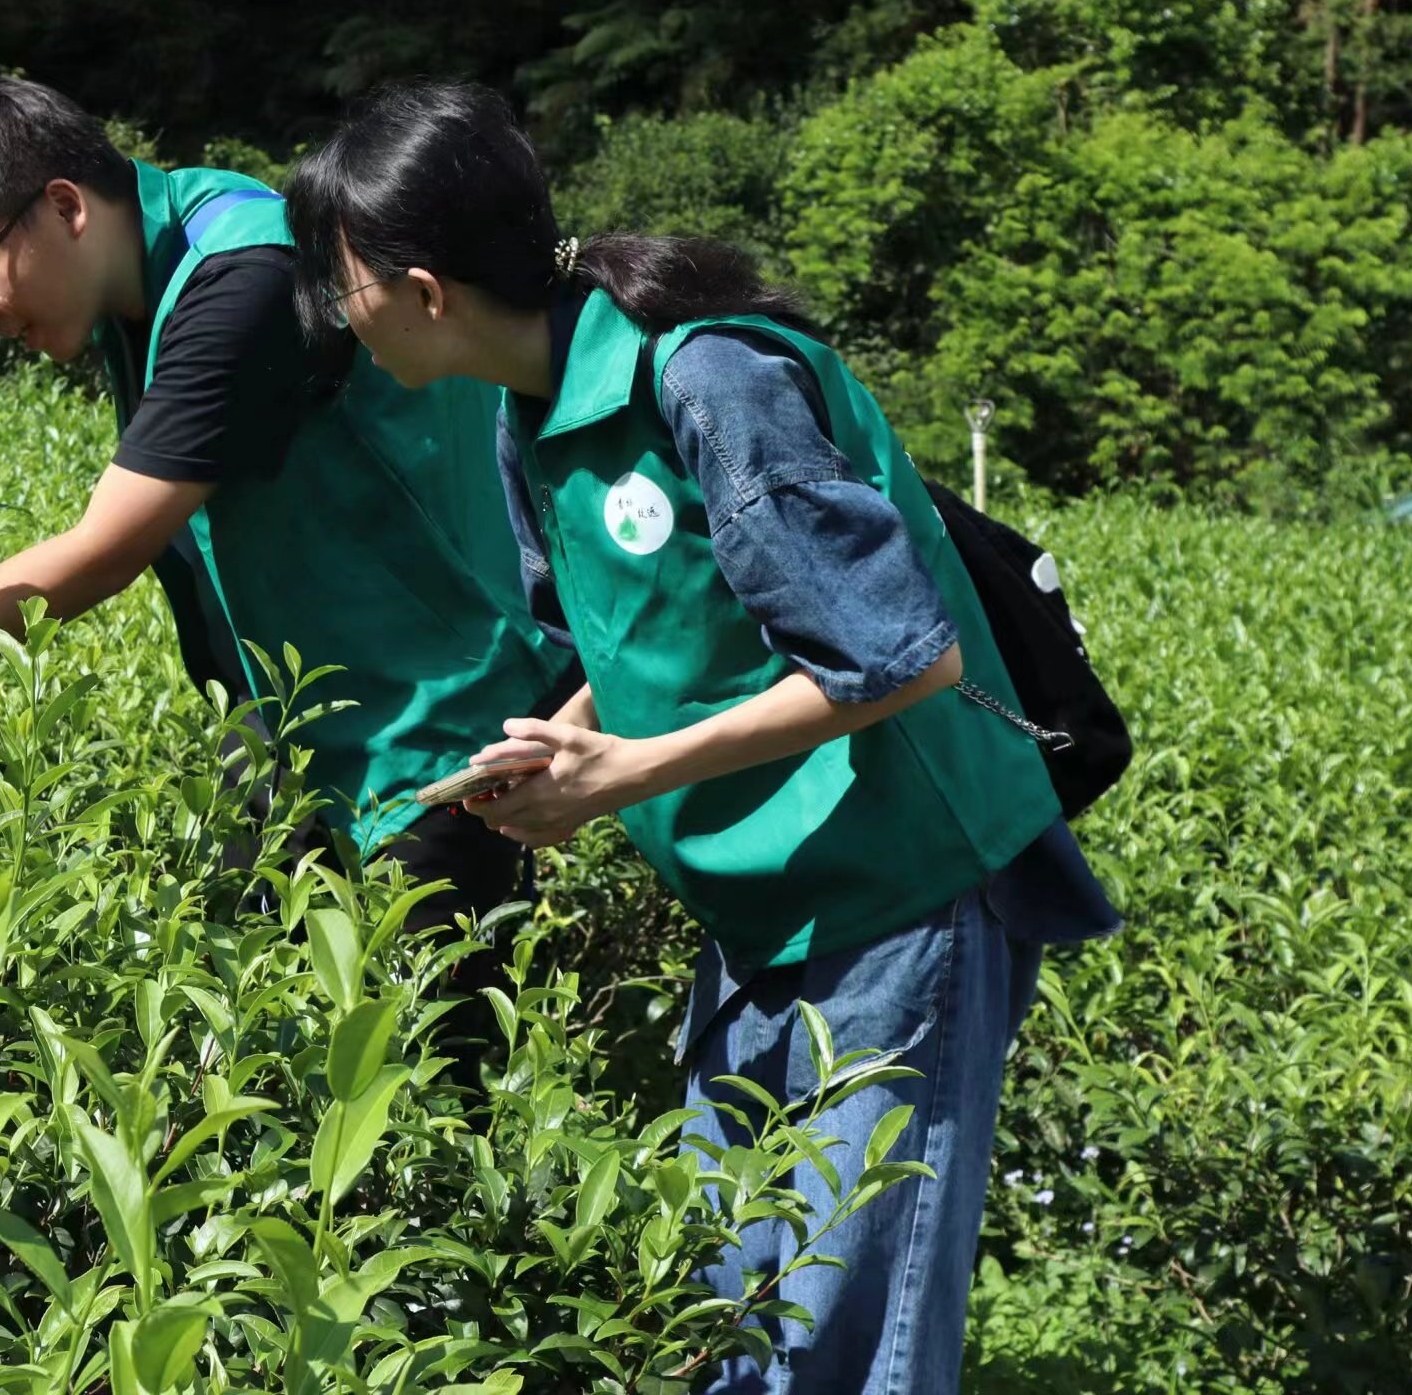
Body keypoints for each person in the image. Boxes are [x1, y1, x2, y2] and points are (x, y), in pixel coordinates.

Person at [283, 81, 1120, 1395]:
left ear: (425, 286)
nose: (339, 316)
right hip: (761, 913)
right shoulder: (531, 417)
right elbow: (625, 649)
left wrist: (626, 780)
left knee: (851, 1337)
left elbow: (899, 657)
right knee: (732, 1303)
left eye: (344, 283)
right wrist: (555, 745)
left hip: (895, 895)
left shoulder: (709, 380)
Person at [0, 76, 575, 953]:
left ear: (65, 206)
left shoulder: (244, 278)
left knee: (430, 1066)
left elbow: (108, 548)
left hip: (426, 727)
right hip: (296, 731)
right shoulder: (148, 276)